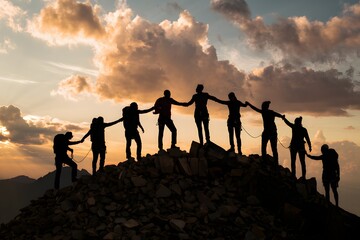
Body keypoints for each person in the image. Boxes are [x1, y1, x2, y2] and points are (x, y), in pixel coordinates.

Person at [246, 101, 284, 165]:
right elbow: (279, 115)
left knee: (264, 147)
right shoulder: (271, 112)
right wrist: (282, 117)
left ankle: (264, 161)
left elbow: (255, 108)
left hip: (267, 132)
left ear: (264, 107)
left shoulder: (264, 112)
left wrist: (249, 104)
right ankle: (275, 163)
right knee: (274, 148)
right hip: (272, 132)